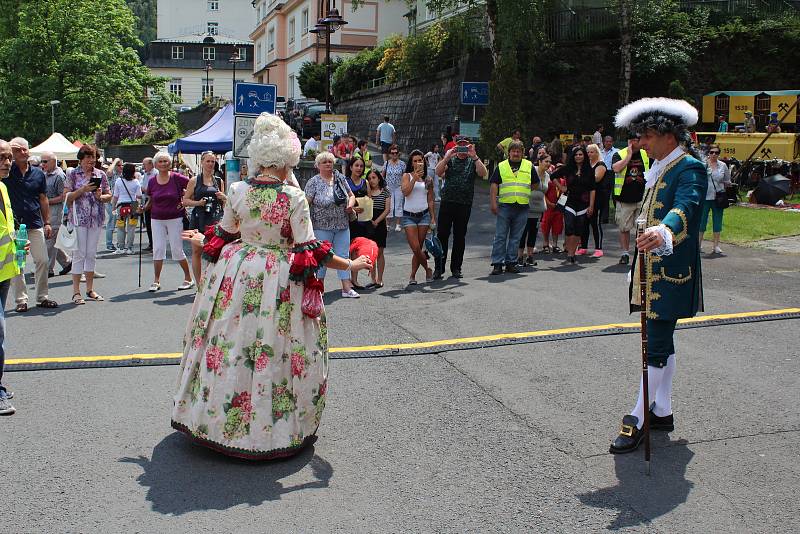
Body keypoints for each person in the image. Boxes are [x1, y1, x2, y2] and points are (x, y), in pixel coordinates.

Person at [171, 112, 372, 460]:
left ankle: (213, 420)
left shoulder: (236, 190)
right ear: (286, 161)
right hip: (278, 275)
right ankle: (269, 428)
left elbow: (224, 234)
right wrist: (351, 264)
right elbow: (310, 251)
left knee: (228, 340)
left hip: (238, 271)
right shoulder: (294, 199)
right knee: (274, 345)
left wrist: (202, 240)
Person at [608, 97, 707, 454]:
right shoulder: (660, 166)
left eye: (646, 136)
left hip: (670, 271)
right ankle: (661, 409)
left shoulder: (688, 168)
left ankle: (639, 416)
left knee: (657, 343)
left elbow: (687, 205)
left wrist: (665, 231)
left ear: (667, 135)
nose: (641, 144)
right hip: (651, 269)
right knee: (660, 338)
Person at [6, 137, 56, 311]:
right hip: (14, 227)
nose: (22, 152)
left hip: (35, 224)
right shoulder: (6, 171)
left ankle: (42, 297)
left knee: (42, 260)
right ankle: (21, 300)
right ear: (11, 152)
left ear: (29, 151)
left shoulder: (38, 173)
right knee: (18, 263)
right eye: (17, 149)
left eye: (24, 149)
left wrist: (47, 222)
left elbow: (43, 199)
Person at [304, 151, 360, 298]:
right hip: (321, 226)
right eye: (325, 162)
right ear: (318, 166)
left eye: (330, 161)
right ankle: (318, 287)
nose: (328, 164)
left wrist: (350, 204)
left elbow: (351, 195)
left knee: (343, 255)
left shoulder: (340, 178)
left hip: (342, 223)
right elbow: (306, 203)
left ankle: (346, 288)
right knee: (322, 257)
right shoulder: (313, 182)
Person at [0, 140, 29, 415]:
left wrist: (18, 244)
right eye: (1, 157)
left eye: (9, 157)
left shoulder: (3, 187)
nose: (7, 162)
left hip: (4, 271)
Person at [433, 135, 487, 279]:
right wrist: (447, 156)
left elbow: (483, 174)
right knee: (442, 235)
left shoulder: (472, 161)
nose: (463, 149)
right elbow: (438, 172)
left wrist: (474, 156)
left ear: (470, 146)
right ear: (456, 146)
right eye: (460, 145)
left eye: (466, 145)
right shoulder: (451, 160)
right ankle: (439, 268)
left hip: (464, 204)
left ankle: (456, 267)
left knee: (459, 237)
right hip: (447, 202)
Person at [64, 144, 112, 305]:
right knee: (79, 254)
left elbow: (109, 196)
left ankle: (90, 289)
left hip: (96, 218)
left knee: (91, 253)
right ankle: (76, 292)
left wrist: (100, 196)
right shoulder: (72, 174)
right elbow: (67, 197)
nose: (91, 161)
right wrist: (82, 190)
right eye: (88, 158)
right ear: (81, 159)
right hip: (78, 219)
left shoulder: (100, 174)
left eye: (93, 158)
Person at [145, 152, 194, 293]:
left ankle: (188, 278)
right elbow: (151, 200)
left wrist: (185, 201)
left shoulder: (177, 177)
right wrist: (143, 208)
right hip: (156, 219)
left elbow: (193, 184)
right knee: (158, 249)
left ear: (170, 163)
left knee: (177, 250)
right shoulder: (152, 181)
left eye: (166, 161)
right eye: (160, 161)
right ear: (155, 164)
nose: (163, 163)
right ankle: (156, 280)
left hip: (175, 218)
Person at [489, 140, 537, 275]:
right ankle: (497, 263)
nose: (516, 153)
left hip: (522, 206)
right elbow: (494, 185)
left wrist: (523, 191)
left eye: (518, 151)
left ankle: (511, 262)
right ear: (509, 152)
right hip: (505, 205)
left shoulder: (528, 165)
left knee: (516, 237)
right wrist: (493, 203)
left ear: (522, 153)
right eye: (513, 151)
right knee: (500, 236)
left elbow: (535, 184)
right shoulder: (502, 166)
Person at [182, 151, 226, 284]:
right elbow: (185, 201)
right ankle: (199, 283)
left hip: (214, 219)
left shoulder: (219, 181)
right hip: (198, 218)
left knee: (215, 251)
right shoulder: (194, 180)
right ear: (202, 162)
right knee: (196, 252)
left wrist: (224, 197)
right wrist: (198, 203)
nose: (211, 164)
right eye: (208, 161)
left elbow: (224, 203)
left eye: (213, 161)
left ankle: (211, 282)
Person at [551, 146, 594, 265]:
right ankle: (569, 253)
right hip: (569, 201)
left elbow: (592, 189)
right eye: (576, 155)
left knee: (578, 228)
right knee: (569, 226)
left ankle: (572, 253)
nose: (578, 157)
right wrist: (561, 187)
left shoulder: (589, 170)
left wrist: (591, 205)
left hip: (583, 203)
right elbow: (552, 176)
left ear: (584, 156)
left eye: (580, 154)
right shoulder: (568, 168)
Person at [612, 133, 650, 265]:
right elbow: (616, 168)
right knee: (624, 228)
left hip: (642, 198)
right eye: (633, 140)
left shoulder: (646, 154)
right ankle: (625, 253)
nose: (636, 142)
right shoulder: (620, 154)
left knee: (643, 228)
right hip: (624, 198)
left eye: (638, 139)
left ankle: (641, 253)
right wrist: (628, 155)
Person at [400, 149, 436, 285]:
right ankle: (427, 269)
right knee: (415, 248)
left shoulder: (428, 179)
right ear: (411, 163)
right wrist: (414, 178)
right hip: (409, 216)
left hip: (424, 215)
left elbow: (431, 199)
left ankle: (412, 276)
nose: (417, 163)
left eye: (420, 160)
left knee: (419, 248)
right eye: (415, 161)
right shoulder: (407, 176)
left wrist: (433, 217)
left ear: (423, 162)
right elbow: (405, 192)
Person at [41, 152, 71, 276]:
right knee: (52, 240)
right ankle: (67, 262)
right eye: (42, 161)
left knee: (49, 238)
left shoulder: (59, 176)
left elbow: (63, 196)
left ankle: (48, 269)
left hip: (56, 210)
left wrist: (47, 201)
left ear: (53, 161)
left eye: (45, 161)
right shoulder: (45, 174)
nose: (42, 164)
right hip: (46, 209)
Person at [517, 153, 550, 266]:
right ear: (539, 161)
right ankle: (519, 256)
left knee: (533, 233)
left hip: (538, 209)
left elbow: (545, 191)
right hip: (526, 207)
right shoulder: (532, 171)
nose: (548, 164)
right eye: (546, 161)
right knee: (523, 233)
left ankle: (530, 256)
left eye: (550, 162)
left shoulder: (547, 175)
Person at [699, 144, 731, 255]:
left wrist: (724, 188)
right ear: (708, 153)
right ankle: (698, 244)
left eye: (716, 153)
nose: (714, 154)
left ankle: (716, 246)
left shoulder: (723, 166)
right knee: (702, 221)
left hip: (718, 197)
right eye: (711, 152)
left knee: (717, 221)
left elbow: (727, 180)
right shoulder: (702, 164)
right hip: (705, 197)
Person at [581, 143, 608, 258]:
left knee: (595, 223)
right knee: (584, 222)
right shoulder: (586, 165)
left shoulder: (601, 165)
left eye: (592, 152)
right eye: (588, 152)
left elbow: (596, 179)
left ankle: (598, 248)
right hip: (586, 197)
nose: (589, 154)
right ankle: (583, 247)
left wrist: (583, 177)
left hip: (598, 198)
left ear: (597, 153)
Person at [365, 169, 390, 288]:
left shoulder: (385, 191)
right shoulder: (367, 191)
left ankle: (380, 279)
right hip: (369, 222)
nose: (372, 180)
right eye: (369, 178)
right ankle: (373, 279)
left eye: (374, 177)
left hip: (380, 224)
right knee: (371, 253)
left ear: (379, 178)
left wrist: (377, 221)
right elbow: (366, 205)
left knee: (380, 252)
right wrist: (370, 221)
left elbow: (387, 209)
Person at [111, 163, 143, 254]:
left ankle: (120, 248)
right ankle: (129, 248)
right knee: (131, 228)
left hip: (121, 205)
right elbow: (139, 196)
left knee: (120, 227)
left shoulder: (118, 181)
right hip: (133, 205)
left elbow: (115, 196)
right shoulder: (136, 182)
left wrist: (113, 207)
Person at [540, 155, 564, 254]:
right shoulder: (549, 181)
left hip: (559, 208)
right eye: (557, 170)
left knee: (557, 226)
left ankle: (555, 245)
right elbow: (543, 194)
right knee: (546, 225)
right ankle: (545, 243)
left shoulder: (563, 181)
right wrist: (549, 203)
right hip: (549, 207)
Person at [345, 157, 371, 243]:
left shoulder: (365, 182)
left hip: (363, 220)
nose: (359, 168)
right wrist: (352, 209)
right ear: (351, 167)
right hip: (349, 220)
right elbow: (341, 201)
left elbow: (370, 201)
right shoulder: (345, 182)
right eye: (356, 165)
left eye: (361, 166)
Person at [382, 144, 406, 232]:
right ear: (389, 154)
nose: (394, 155)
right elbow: (382, 175)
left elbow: (405, 175)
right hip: (388, 186)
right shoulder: (386, 163)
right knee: (389, 205)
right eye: (392, 153)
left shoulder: (402, 164)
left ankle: (398, 224)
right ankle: (387, 224)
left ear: (398, 153)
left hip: (399, 186)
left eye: (396, 153)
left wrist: (404, 185)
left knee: (399, 205)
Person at [105, 158, 123, 251]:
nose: (121, 167)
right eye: (119, 165)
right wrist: (115, 161)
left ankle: (120, 243)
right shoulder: (112, 175)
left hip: (121, 202)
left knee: (120, 223)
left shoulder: (122, 175)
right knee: (112, 222)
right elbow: (108, 171)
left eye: (122, 165)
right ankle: (109, 243)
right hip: (111, 202)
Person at [140, 157, 156, 251]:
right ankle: (151, 243)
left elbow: (153, 189)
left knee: (155, 223)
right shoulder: (146, 174)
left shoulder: (156, 174)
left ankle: (156, 244)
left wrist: (146, 190)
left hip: (154, 200)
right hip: (146, 199)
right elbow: (143, 186)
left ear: (151, 164)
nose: (143, 167)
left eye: (144, 164)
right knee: (148, 223)